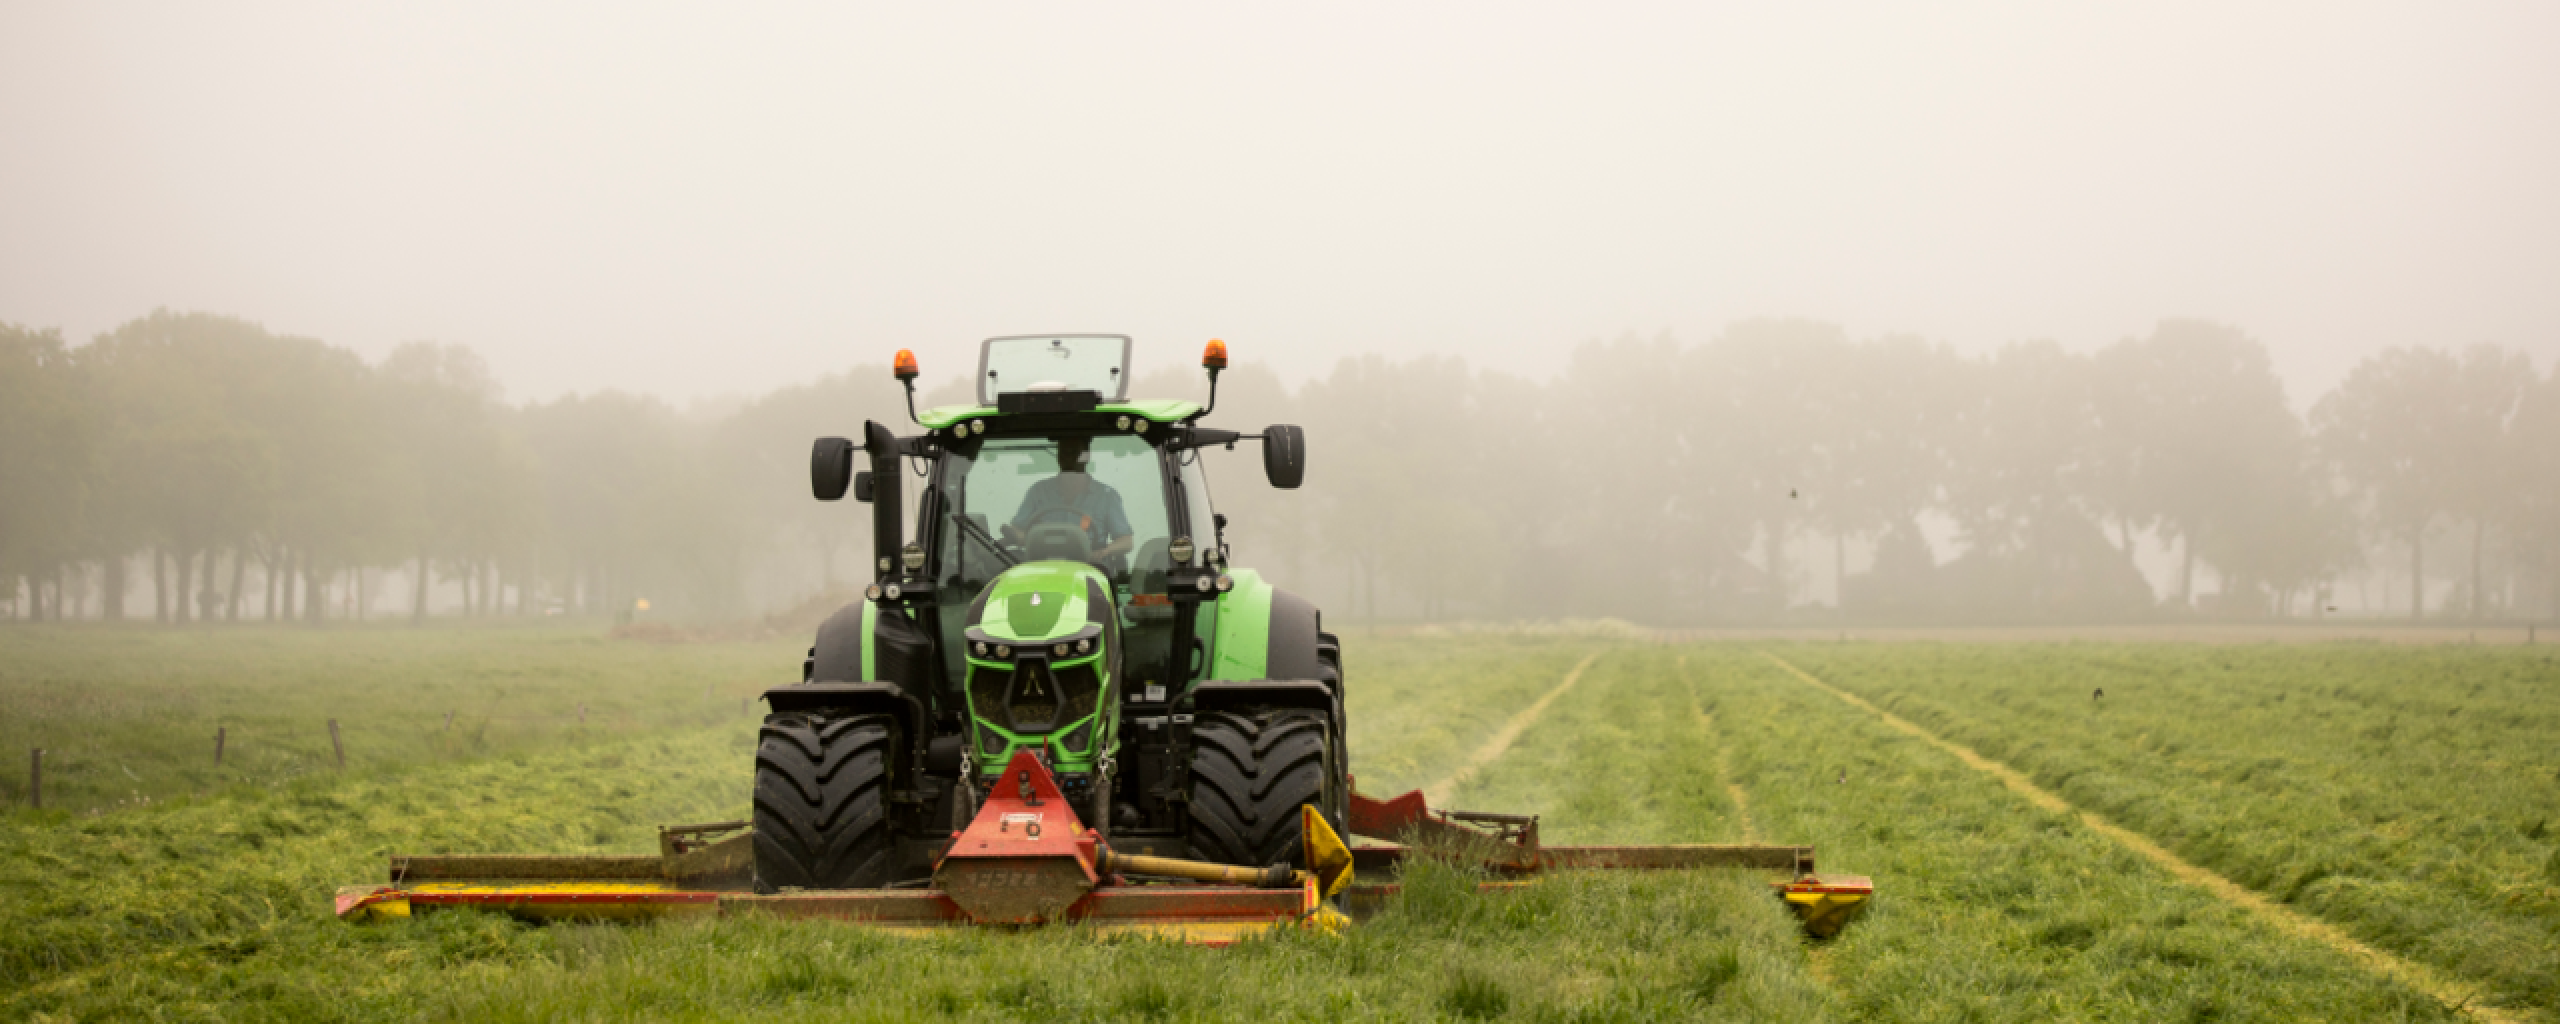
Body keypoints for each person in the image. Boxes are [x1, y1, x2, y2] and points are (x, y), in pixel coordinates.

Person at [1005, 436, 1134, 570]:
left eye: (1074, 453)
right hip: (1043, 569)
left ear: (1086, 457)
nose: (1068, 458)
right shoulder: (1038, 492)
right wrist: (1023, 539)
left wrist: (1104, 551)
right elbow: (1017, 530)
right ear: (1058, 457)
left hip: (1091, 570)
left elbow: (1126, 541)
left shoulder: (1107, 496)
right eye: (1064, 453)